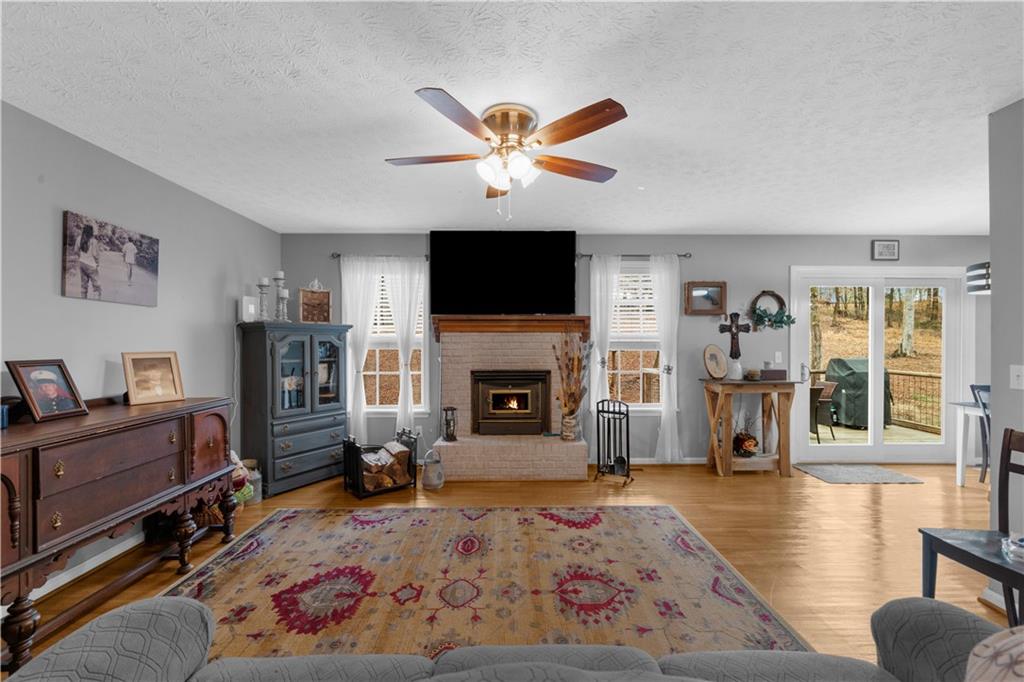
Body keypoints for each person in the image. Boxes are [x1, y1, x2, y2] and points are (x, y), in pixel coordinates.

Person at [77, 224, 102, 298]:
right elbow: (95, 254)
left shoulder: (79, 238)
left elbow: (76, 250)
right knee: (96, 286)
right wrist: (97, 263)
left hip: (82, 263)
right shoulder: (93, 241)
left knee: (83, 286)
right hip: (91, 265)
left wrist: (81, 257)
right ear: (91, 232)